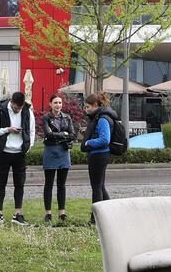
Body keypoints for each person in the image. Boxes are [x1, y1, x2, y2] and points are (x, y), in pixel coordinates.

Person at [0, 92, 34, 224]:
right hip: (4, 152)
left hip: (20, 153)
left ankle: (17, 213)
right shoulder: (1, 111)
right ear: (11, 102)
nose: (17, 110)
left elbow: (31, 132)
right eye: (16, 107)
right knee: (0, 183)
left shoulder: (27, 112)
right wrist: (7, 129)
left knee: (20, 184)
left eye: (19, 108)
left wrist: (27, 148)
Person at [81, 92, 118, 222]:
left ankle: (95, 219)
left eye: (87, 107)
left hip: (99, 154)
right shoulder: (102, 117)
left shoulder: (102, 118)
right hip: (100, 154)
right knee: (100, 186)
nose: (86, 110)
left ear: (95, 105)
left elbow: (104, 139)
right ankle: (111, 214)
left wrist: (88, 142)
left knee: (96, 187)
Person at [39, 95, 75, 225]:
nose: (58, 105)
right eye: (55, 102)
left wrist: (61, 136)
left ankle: (62, 212)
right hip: (50, 151)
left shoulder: (67, 117)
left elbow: (72, 134)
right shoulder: (46, 118)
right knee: (49, 183)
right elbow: (48, 134)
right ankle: (48, 213)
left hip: (64, 152)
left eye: (60, 102)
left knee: (62, 184)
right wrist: (63, 135)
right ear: (50, 104)